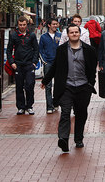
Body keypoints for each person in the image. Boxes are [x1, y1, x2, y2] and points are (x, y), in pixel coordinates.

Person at [41, 23, 97, 152]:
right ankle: (63, 139)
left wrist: (90, 85)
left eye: (76, 32)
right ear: (68, 34)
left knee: (81, 113)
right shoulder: (61, 50)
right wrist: (46, 80)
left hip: (83, 87)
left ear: (79, 33)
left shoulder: (89, 50)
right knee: (65, 113)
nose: (74, 34)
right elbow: (55, 67)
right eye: (71, 33)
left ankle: (78, 139)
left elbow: (92, 70)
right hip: (67, 87)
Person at [6, 16, 39, 115]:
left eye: (24, 25)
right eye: (20, 25)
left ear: (27, 24)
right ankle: (20, 107)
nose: (22, 27)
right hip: (18, 65)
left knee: (29, 85)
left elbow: (36, 49)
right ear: (18, 24)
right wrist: (12, 62)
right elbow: (9, 50)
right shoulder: (14, 35)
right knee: (19, 86)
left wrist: (34, 62)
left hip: (29, 64)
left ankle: (29, 106)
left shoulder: (32, 35)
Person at [39, 17, 61, 114]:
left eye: (57, 24)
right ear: (49, 25)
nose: (56, 26)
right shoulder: (43, 37)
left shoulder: (60, 36)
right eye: (54, 24)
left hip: (58, 64)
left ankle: (56, 103)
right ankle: (49, 106)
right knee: (48, 86)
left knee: (58, 85)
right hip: (48, 63)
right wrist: (44, 62)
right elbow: (40, 50)